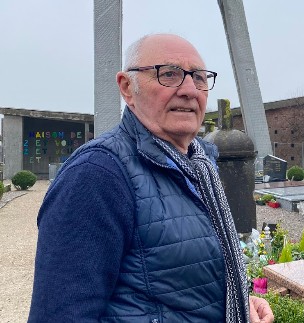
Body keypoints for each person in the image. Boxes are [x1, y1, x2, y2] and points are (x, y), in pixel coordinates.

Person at [28, 34, 274, 323]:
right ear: (127, 88)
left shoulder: (200, 166)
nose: (189, 90)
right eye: (169, 74)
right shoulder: (97, 174)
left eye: (199, 78)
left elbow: (180, 283)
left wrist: (236, 302)